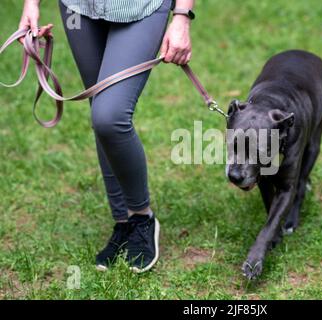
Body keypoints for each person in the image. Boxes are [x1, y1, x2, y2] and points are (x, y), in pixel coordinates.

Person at [18, 0, 195, 273]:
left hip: (140, 8)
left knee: (109, 116)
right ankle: (123, 222)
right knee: (99, 109)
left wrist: (182, 15)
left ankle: (141, 217)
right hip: (79, 9)